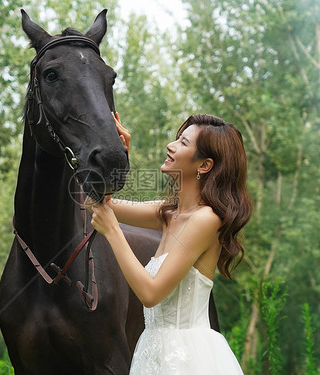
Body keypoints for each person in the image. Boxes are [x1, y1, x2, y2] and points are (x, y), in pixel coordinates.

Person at [89, 113, 252, 374]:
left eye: (183, 143)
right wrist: (119, 153)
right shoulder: (168, 215)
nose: (171, 146)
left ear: (204, 165)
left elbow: (151, 294)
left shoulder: (205, 220)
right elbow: (98, 203)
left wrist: (112, 232)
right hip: (151, 354)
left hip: (190, 360)